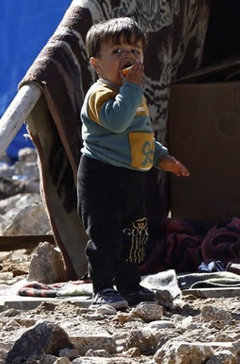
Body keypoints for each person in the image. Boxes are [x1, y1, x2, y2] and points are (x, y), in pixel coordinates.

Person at [77, 17, 190, 312]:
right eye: (117, 51)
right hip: (102, 175)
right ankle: (102, 287)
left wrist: (162, 156)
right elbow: (116, 122)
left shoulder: (134, 94)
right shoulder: (101, 94)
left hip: (133, 177)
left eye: (135, 51)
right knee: (106, 233)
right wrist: (131, 89)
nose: (128, 57)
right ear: (96, 64)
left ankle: (129, 284)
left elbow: (140, 134)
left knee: (135, 233)